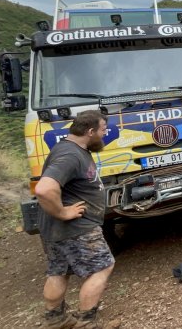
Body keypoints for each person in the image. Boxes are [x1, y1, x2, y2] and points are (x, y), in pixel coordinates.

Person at [34, 110, 115, 329]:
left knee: (59, 271)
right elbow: (44, 189)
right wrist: (63, 212)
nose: (105, 134)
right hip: (76, 228)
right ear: (90, 132)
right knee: (102, 267)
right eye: (102, 130)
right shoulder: (70, 155)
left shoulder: (69, 148)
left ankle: (55, 319)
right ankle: (86, 322)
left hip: (56, 229)